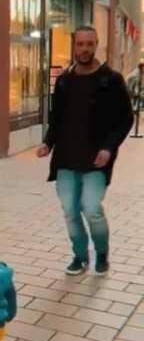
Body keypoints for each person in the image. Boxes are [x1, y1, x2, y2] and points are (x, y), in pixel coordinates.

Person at [37, 26, 133, 276]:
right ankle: (80, 257)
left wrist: (109, 148)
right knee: (70, 212)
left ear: (96, 44)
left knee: (91, 209)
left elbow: (125, 119)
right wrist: (48, 143)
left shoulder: (111, 80)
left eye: (89, 44)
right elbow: (56, 118)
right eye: (80, 44)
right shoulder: (65, 80)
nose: (84, 49)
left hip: (96, 162)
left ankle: (101, 254)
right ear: (74, 46)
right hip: (66, 160)